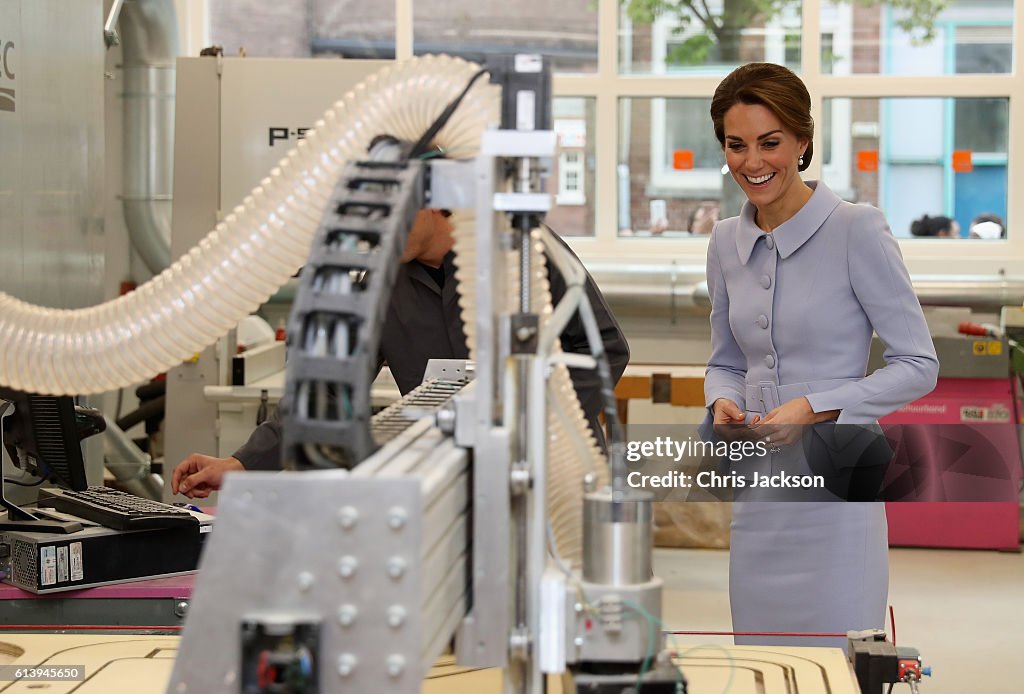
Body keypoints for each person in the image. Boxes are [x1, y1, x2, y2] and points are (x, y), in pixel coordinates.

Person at [704, 62, 938, 649]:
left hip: (839, 490)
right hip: (758, 488)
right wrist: (723, 400)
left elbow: (918, 365)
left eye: (770, 142)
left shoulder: (856, 229)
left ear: (803, 142)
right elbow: (726, 359)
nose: (752, 162)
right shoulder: (724, 244)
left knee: (839, 662)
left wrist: (818, 406)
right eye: (737, 145)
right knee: (764, 664)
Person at [173, 207, 630, 497]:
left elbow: (605, 349)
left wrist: (537, 422)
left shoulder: (526, 251)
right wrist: (241, 462)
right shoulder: (380, 283)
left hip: (552, 476)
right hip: (447, 482)